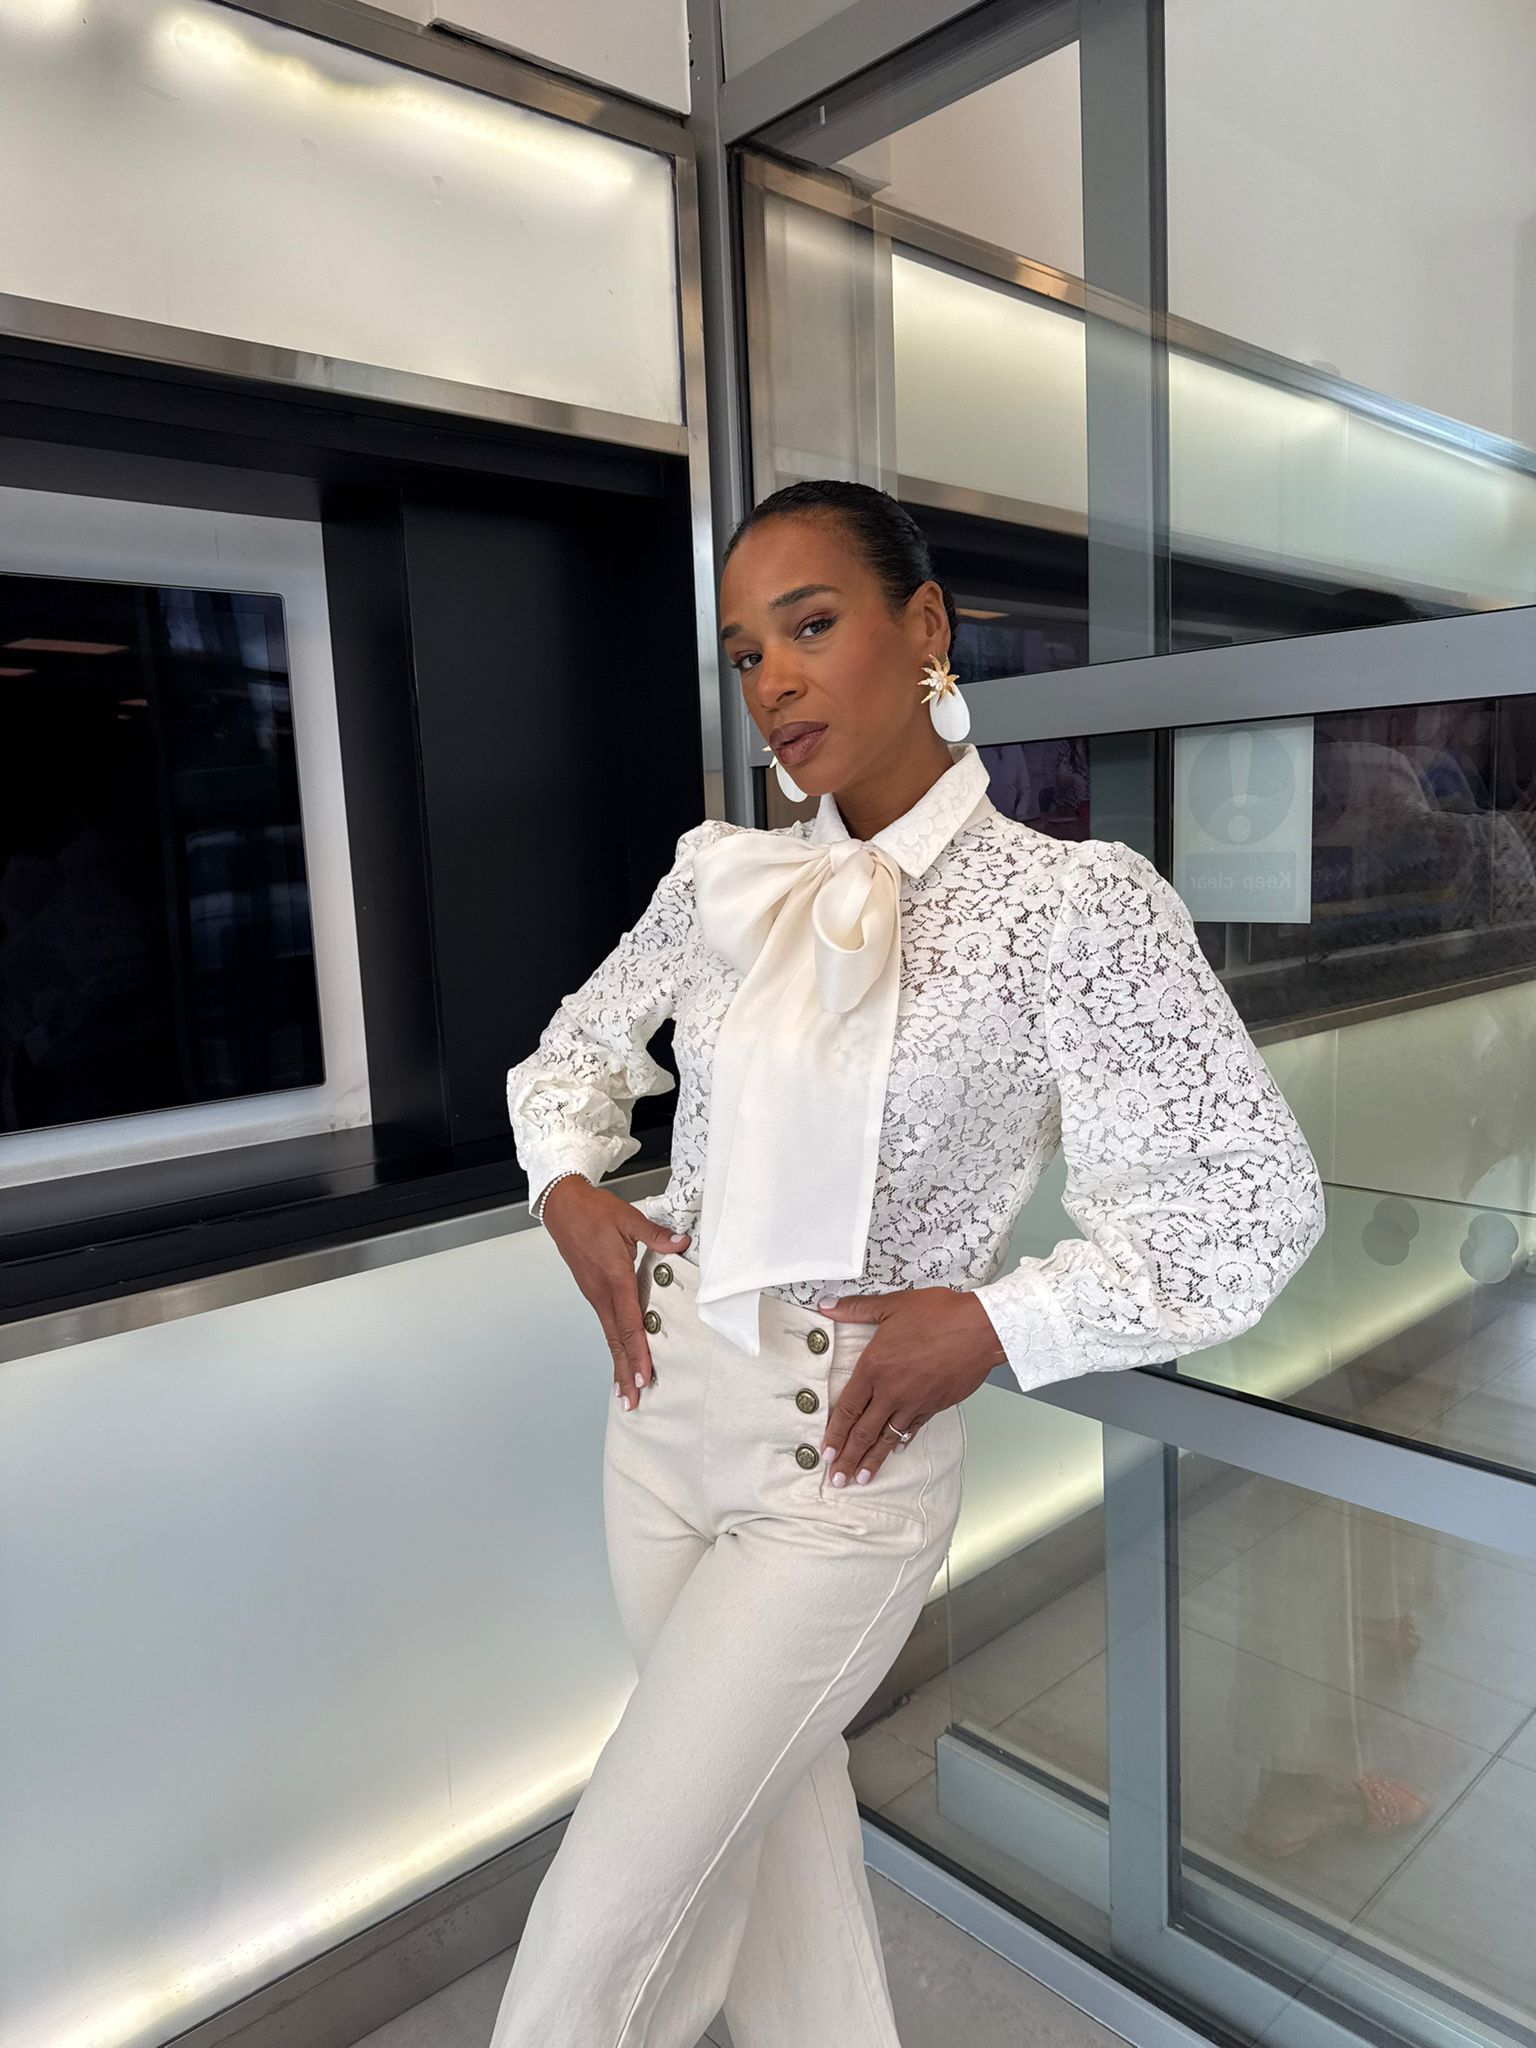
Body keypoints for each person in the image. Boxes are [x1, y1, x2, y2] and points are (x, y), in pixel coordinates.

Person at [491, 479, 1327, 2048]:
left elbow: (1248, 1201)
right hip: (657, 1423)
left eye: (810, 626)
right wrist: (568, 1188)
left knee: (599, 1931)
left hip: (841, 1463)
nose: (774, 681)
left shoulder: (1070, 906)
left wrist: (1000, 1320)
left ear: (925, 625)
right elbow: (574, 1055)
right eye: (747, 653)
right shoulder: (724, 879)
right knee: (780, 1873)